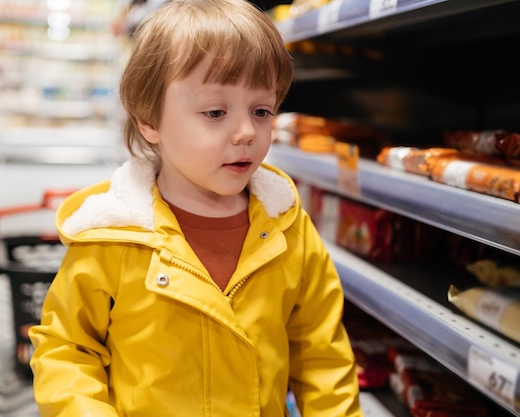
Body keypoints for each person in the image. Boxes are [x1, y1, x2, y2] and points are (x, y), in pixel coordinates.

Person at [28, 0, 363, 416]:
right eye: (215, 112)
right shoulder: (113, 236)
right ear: (149, 120)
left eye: (262, 111)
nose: (245, 132)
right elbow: (67, 351)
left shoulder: (288, 228)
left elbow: (322, 356)